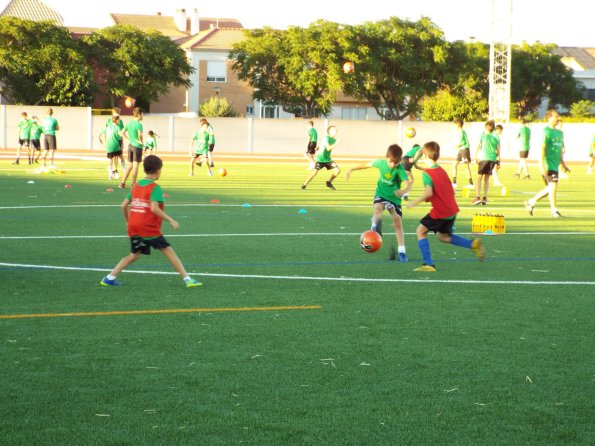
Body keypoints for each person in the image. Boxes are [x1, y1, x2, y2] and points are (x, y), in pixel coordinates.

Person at [100, 155, 201, 288]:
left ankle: (109, 278)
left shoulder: (136, 185)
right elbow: (154, 208)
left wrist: (128, 221)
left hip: (134, 226)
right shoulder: (155, 187)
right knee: (168, 250)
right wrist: (171, 220)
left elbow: (123, 205)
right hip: (148, 228)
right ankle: (187, 279)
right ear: (158, 170)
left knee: (134, 254)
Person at [406, 141, 486, 272]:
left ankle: (429, 264)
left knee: (420, 232)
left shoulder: (427, 174)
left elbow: (428, 193)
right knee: (443, 236)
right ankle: (472, 244)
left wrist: (414, 202)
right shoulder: (440, 170)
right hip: (452, 209)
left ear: (425, 156)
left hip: (441, 211)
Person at [346, 144, 412, 262]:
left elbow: (408, 183)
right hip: (381, 193)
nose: (393, 165)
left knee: (397, 221)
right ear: (387, 157)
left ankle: (402, 251)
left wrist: (403, 191)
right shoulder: (381, 163)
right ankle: (375, 227)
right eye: (391, 162)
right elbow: (366, 165)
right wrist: (351, 168)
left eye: (396, 163)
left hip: (394, 198)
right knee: (377, 208)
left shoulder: (400, 169)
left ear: (399, 161)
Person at [524, 109, 570, 218]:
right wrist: (541, 165)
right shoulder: (546, 132)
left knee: (550, 188)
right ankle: (554, 210)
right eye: (556, 116)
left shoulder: (559, 133)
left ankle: (531, 202)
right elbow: (542, 148)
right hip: (548, 164)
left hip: (555, 165)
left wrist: (563, 164)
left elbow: (559, 150)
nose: (558, 118)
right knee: (553, 186)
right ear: (549, 118)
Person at [301, 125, 340, 190]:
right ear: (330, 131)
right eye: (334, 130)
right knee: (314, 173)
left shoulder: (334, 140)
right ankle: (304, 185)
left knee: (337, 170)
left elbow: (322, 144)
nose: (336, 131)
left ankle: (328, 182)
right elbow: (328, 148)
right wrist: (337, 143)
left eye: (336, 130)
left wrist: (318, 147)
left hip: (327, 159)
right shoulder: (326, 138)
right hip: (320, 159)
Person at [472, 120, 500, 205]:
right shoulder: (495, 139)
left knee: (479, 178)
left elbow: (478, 146)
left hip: (484, 158)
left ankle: (477, 197)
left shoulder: (483, 136)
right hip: (492, 159)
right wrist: (498, 162)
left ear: (486, 127)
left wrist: (474, 157)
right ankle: (485, 198)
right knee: (487, 179)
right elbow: (498, 152)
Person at [119, 107, 144, 188]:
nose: (142, 116)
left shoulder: (129, 123)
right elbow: (140, 135)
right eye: (142, 114)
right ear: (139, 115)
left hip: (130, 146)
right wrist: (141, 141)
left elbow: (121, 133)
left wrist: (128, 139)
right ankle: (133, 184)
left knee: (129, 165)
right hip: (137, 147)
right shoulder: (139, 124)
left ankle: (122, 183)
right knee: (135, 166)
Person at [99, 115, 124, 180]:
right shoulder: (117, 127)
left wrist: (101, 140)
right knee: (121, 156)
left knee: (110, 160)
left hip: (109, 146)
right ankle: (125, 169)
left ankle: (110, 175)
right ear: (116, 120)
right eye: (118, 120)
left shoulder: (107, 127)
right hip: (115, 145)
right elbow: (120, 136)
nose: (119, 121)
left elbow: (101, 133)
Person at [451, 119, 473, 189]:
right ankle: (454, 183)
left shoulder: (461, 132)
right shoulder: (460, 132)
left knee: (466, 166)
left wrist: (454, 146)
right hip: (461, 150)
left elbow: (461, 142)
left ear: (457, 125)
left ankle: (471, 184)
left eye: (454, 125)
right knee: (454, 165)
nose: (453, 126)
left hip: (464, 150)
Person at [107, 107, 126, 178]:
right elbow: (106, 131)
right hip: (112, 140)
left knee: (118, 156)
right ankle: (114, 171)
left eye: (118, 112)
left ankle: (119, 170)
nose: (117, 114)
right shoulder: (109, 121)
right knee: (112, 157)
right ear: (113, 113)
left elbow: (122, 132)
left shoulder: (120, 121)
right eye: (116, 112)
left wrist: (123, 142)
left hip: (119, 140)